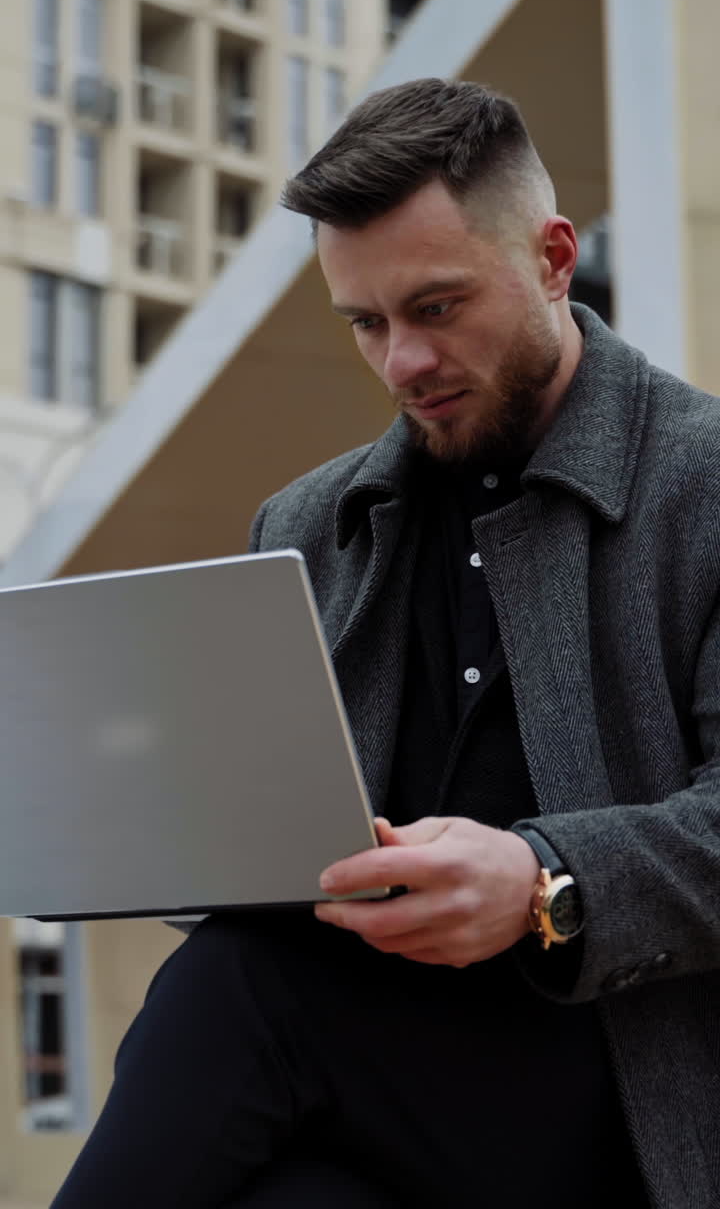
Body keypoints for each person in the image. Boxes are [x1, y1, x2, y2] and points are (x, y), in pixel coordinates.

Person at [51, 78, 720, 1209]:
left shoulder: (702, 482)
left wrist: (544, 879)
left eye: (438, 306)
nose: (403, 360)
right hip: (368, 1080)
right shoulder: (309, 524)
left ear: (555, 256)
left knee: (237, 987)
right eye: (366, 321)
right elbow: (258, 846)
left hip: (625, 1096)